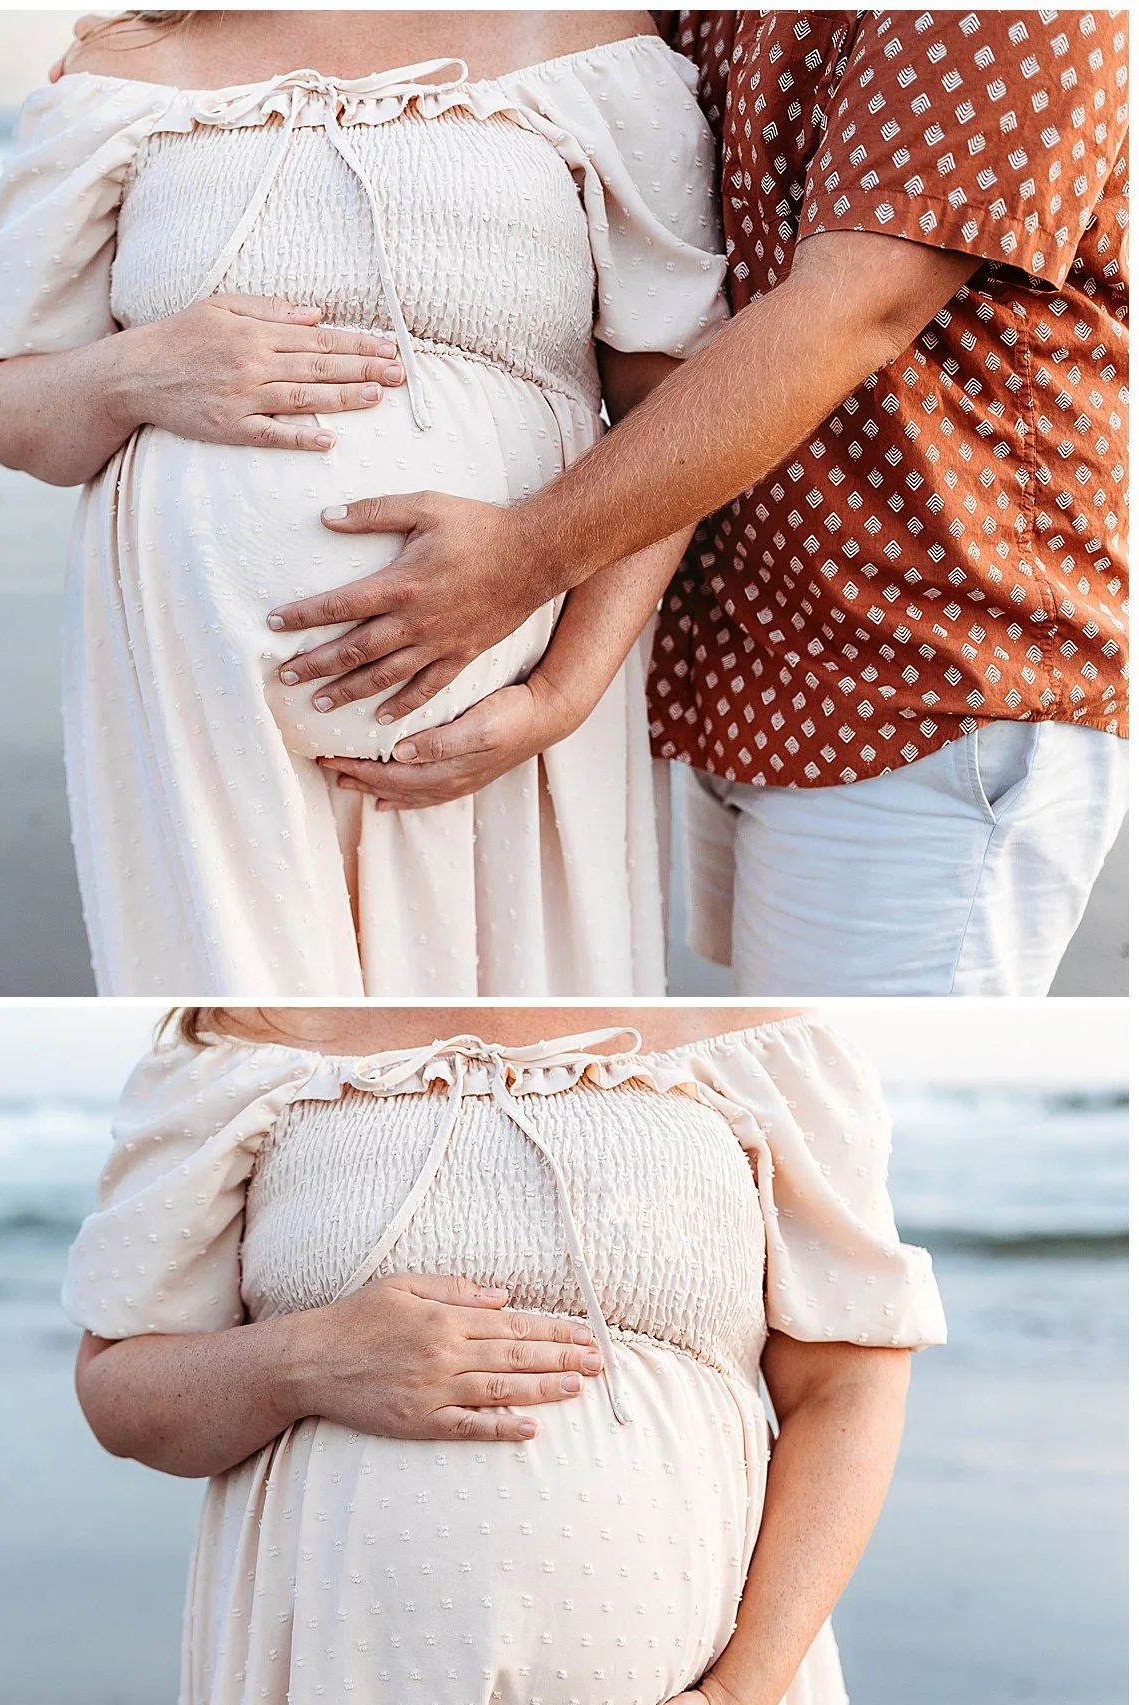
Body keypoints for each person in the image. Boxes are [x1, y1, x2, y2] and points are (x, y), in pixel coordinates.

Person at [65, 1004, 947, 1705]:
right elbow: (120, 1394)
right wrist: (302, 1361)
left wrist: (739, 1699)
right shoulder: (245, 1044)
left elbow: (850, 1384)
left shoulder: (765, 1043)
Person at [265, 10, 1129, 996]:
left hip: (933, 675)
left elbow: (852, 312)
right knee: (759, 1049)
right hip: (743, 662)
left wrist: (522, 562)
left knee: (849, 1082)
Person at [0, 10, 729, 997]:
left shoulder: (587, 42)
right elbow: (6, 410)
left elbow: (677, 403)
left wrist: (563, 689)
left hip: (501, 716)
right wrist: (132, 374)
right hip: (200, 731)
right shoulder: (124, 68)